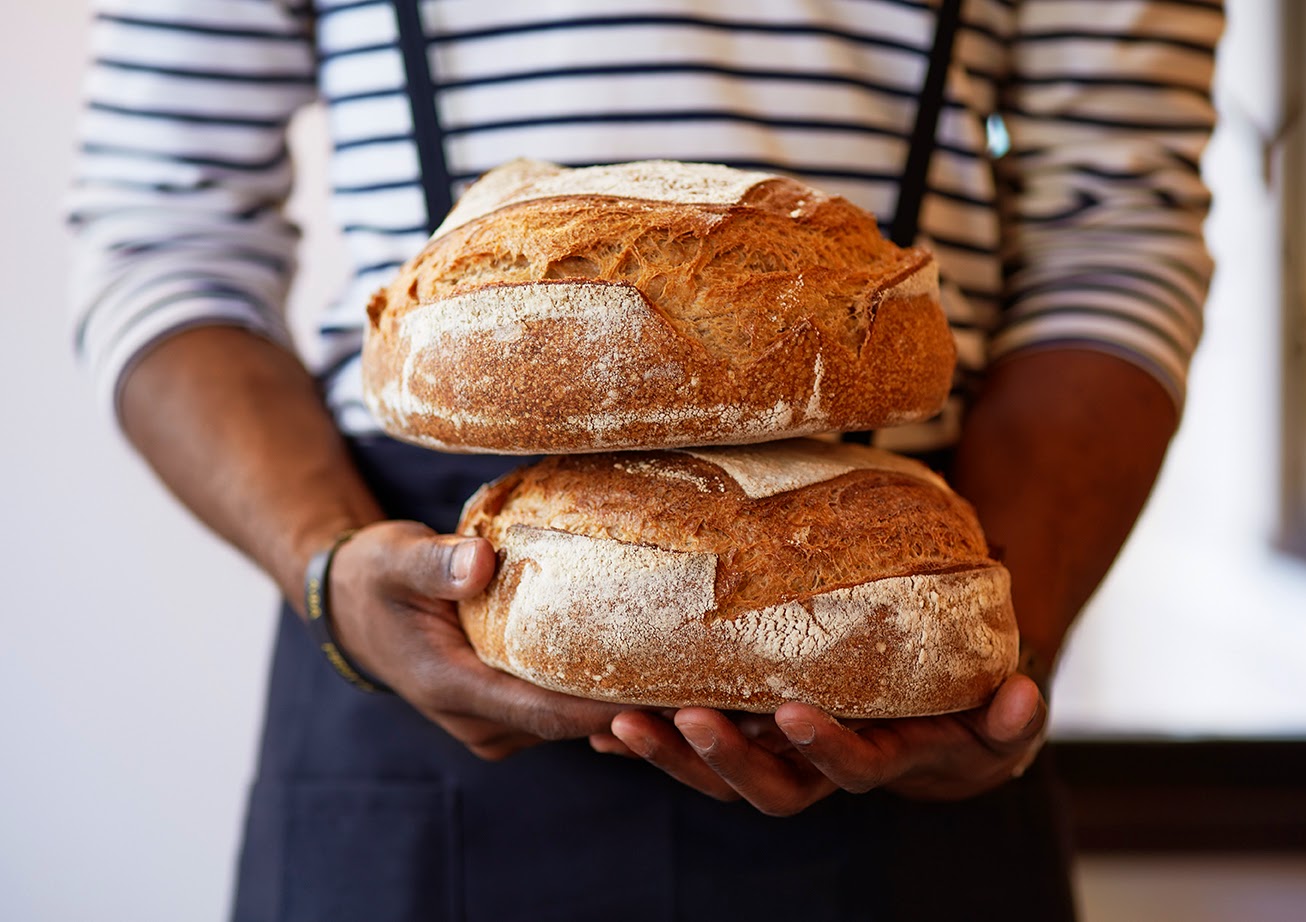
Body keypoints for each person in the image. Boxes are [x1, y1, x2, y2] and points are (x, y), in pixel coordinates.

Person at [69, 1, 1224, 918]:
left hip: (897, 611)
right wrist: (325, 565)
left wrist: (997, 646)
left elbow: (1114, 234)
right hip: (423, 595)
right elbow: (164, 232)